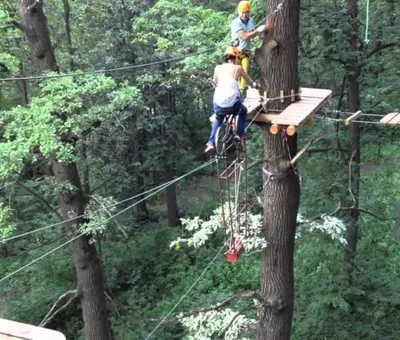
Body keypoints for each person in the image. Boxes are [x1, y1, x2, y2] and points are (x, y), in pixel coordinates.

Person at [205, 46, 256, 153]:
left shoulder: (218, 68)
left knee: (219, 118)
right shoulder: (238, 68)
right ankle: (238, 135)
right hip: (232, 104)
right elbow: (249, 82)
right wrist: (254, 86)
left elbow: (215, 81)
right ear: (236, 57)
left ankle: (210, 143)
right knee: (243, 111)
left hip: (218, 103)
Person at [231, 1, 268, 91]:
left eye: (246, 12)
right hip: (236, 51)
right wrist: (259, 30)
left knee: (245, 73)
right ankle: (235, 93)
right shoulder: (236, 22)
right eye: (242, 12)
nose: (244, 14)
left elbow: (252, 33)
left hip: (246, 51)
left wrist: (259, 32)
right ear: (239, 12)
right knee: (235, 75)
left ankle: (241, 93)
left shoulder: (250, 21)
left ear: (249, 12)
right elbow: (245, 36)